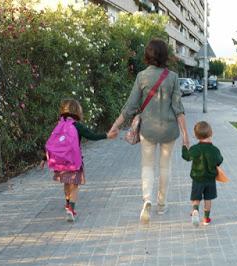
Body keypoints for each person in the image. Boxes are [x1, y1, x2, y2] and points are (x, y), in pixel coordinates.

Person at [110, 39, 189, 224]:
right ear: (165, 56)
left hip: (148, 130)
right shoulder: (173, 77)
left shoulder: (142, 77)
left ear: (148, 55)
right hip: (169, 130)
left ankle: (147, 200)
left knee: (147, 166)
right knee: (165, 167)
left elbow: (130, 106)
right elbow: (179, 108)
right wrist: (186, 135)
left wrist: (115, 125)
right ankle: (162, 205)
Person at [45, 99, 117, 222]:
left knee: (66, 183)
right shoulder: (76, 125)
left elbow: (52, 143)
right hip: (73, 162)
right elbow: (91, 136)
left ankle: (67, 204)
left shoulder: (59, 125)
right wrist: (107, 135)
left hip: (60, 163)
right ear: (78, 111)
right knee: (74, 185)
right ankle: (71, 208)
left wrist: (44, 158)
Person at [182, 121, 223, 226]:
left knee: (196, 197)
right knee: (208, 199)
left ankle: (195, 210)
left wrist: (184, 147)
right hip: (210, 180)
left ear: (196, 136)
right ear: (211, 133)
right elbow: (219, 160)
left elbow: (187, 157)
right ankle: (206, 219)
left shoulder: (195, 149)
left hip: (197, 179)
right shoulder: (215, 150)